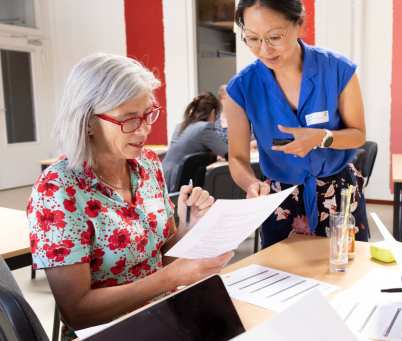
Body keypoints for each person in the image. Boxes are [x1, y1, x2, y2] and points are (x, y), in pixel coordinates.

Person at [27, 53, 233, 339]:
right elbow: (77, 311)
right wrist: (171, 278)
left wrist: (189, 228)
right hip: (109, 331)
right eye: (129, 120)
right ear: (87, 122)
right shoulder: (58, 190)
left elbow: (162, 254)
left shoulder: (147, 164)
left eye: (149, 114)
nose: (145, 129)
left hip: (166, 312)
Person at [223, 0, 369, 248]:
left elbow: (358, 135)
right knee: (282, 279)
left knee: (346, 273)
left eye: (275, 37)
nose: (264, 49)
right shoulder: (241, 88)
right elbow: (237, 158)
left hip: (337, 190)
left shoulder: (337, 69)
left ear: (299, 24)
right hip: (280, 198)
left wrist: (323, 137)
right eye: (252, 39)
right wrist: (252, 184)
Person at [162, 92, 228, 192]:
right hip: (177, 184)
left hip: (164, 180)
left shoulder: (181, 126)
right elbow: (228, 152)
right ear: (213, 112)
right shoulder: (204, 127)